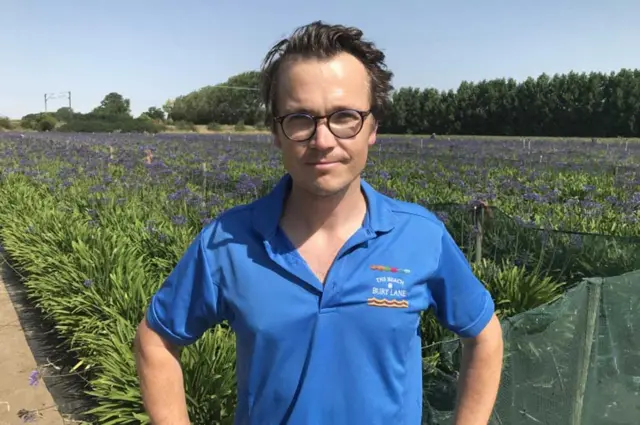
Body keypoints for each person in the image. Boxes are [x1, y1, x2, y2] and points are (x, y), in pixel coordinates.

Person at [134, 20, 504, 425]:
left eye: (344, 117)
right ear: (276, 132)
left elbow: (484, 335)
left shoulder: (420, 235)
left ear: (373, 127)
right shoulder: (227, 242)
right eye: (300, 119)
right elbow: (155, 340)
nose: (323, 140)